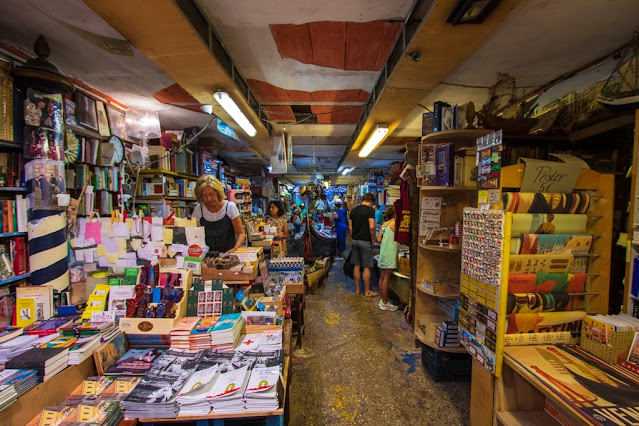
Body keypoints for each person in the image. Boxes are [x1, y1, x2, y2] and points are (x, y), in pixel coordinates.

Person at [192, 175, 246, 254]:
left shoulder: (230, 207)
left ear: (218, 192)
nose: (209, 199)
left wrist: (235, 249)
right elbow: (194, 235)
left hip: (228, 254)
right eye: (205, 196)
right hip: (206, 256)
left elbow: (241, 233)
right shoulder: (198, 210)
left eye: (211, 194)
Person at [349, 192, 378, 297]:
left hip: (355, 241)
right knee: (366, 266)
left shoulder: (353, 210)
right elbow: (372, 227)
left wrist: (354, 236)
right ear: (370, 201)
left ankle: (357, 289)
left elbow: (350, 228)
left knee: (356, 265)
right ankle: (367, 291)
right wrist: (373, 239)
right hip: (365, 241)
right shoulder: (370, 211)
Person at [377, 206, 399, 311]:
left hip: (383, 253)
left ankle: (383, 300)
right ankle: (385, 303)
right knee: (386, 279)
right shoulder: (395, 224)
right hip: (390, 253)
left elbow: (379, 239)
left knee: (382, 277)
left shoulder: (385, 224)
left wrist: (386, 242)